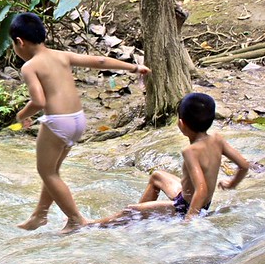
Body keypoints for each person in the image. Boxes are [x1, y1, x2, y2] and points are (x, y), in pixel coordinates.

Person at [9, 12, 152, 232]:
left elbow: (38, 101)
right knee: (53, 170)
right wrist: (133, 68)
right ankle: (40, 214)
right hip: (78, 120)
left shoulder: (29, 67)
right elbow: (100, 61)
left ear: (20, 42)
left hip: (58, 122)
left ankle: (75, 219)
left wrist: (22, 115)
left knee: (46, 172)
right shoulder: (61, 55)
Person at [94, 93, 250, 226]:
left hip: (185, 207)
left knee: (129, 211)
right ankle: (142, 221)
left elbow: (201, 190)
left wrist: (189, 221)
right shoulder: (217, 139)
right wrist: (231, 184)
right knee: (157, 176)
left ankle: (91, 225)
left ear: (181, 123)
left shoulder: (190, 151)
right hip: (191, 198)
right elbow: (243, 165)